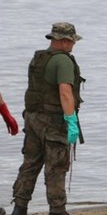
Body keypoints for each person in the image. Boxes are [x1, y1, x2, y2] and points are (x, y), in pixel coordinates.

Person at [11, 22, 85, 215]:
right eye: (71, 41)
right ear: (63, 41)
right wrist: (71, 121)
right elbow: (65, 92)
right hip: (53, 122)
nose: (73, 45)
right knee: (56, 167)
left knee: (30, 164)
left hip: (33, 119)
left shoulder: (38, 59)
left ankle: (19, 208)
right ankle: (58, 210)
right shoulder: (63, 61)